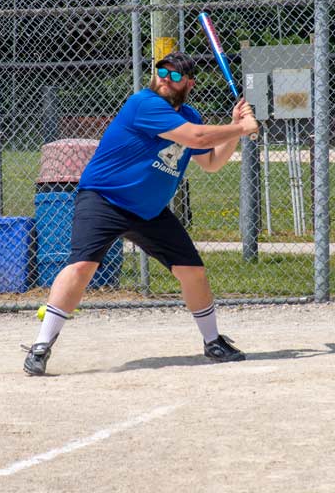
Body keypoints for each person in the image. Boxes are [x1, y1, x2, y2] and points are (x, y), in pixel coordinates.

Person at [22, 51, 260, 376]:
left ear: (189, 83)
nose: (165, 77)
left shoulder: (188, 113)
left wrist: (235, 129)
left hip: (148, 211)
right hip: (105, 199)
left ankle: (213, 342)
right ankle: (40, 346)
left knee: (193, 272)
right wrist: (241, 129)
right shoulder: (144, 104)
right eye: (161, 71)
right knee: (81, 266)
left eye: (175, 75)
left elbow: (212, 162)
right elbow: (196, 137)